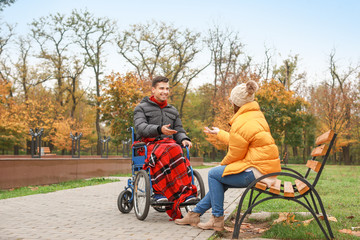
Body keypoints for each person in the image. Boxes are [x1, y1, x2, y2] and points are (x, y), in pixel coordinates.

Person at [175, 80, 281, 231]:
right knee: (219, 180)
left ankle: (216, 219)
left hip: (257, 172)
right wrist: (219, 133)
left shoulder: (242, 121)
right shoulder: (255, 115)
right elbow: (240, 141)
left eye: (232, 101)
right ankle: (194, 214)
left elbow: (236, 152)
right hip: (266, 169)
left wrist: (222, 166)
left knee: (214, 174)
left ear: (236, 103)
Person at [133, 75, 196, 220]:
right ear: (153, 89)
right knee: (167, 150)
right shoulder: (141, 108)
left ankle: (185, 194)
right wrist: (159, 129)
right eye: (161, 88)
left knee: (177, 148)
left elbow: (179, 130)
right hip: (148, 144)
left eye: (167, 89)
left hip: (169, 145)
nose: (165, 91)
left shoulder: (172, 110)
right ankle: (159, 192)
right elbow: (141, 128)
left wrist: (185, 139)